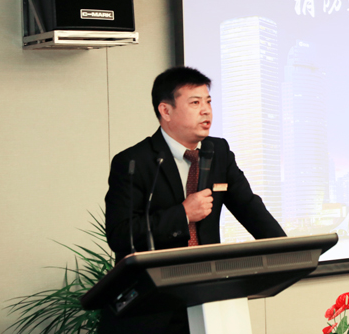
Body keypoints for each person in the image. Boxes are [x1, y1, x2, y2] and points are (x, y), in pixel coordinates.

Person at [100, 66, 286, 334]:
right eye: (195, 103)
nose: (206, 111)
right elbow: (120, 235)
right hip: (152, 308)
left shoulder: (218, 151)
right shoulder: (133, 162)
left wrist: (285, 251)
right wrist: (183, 214)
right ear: (166, 111)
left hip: (207, 301)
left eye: (208, 102)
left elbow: (249, 207)